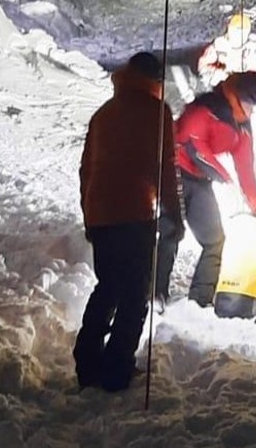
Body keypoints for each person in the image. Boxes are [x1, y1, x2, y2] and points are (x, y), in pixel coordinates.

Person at [74, 52, 180, 392]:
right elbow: (164, 168)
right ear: (156, 80)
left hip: (101, 212)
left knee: (108, 287)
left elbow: (86, 169)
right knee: (135, 293)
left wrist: (89, 214)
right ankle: (117, 368)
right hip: (134, 212)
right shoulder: (157, 112)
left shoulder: (104, 113)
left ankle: (87, 361)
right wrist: (174, 214)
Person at [155, 71, 256, 307]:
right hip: (174, 170)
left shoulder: (242, 128)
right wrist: (225, 180)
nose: (252, 109)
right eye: (249, 102)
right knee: (170, 231)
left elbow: (246, 168)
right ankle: (154, 294)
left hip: (200, 180)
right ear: (237, 96)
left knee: (215, 240)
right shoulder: (206, 108)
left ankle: (199, 301)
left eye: (255, 104)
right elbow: (193, 145)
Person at [196, 13, 256, 87]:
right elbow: (202, 66)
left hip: (240, 87)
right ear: (229, 30)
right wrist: (216, 73)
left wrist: (243, 80)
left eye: (242, 33)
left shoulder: (251, 49)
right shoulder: (218, 45)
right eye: (236, 32)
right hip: (219, 86)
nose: (238, 36)